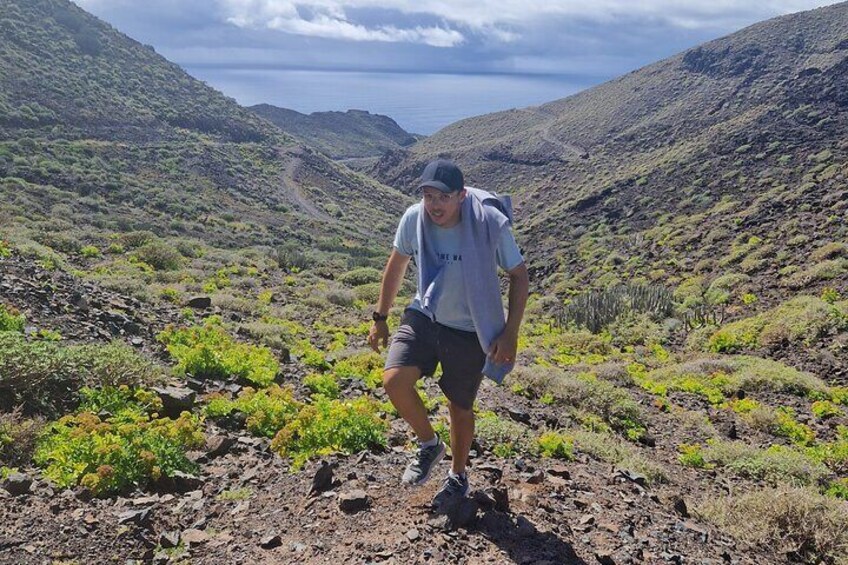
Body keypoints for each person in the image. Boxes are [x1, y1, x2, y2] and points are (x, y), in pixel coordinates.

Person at [368, 159, 529, 508]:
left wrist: (510, 332)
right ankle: (429, 444)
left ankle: (458, 475)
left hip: (469, 327)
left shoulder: (488, 224)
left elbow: (519, 275)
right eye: (428, 196)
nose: (434, 205)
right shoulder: (414, 218)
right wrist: (380, 317)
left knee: (460, 406)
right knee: (394, 380)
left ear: (461, 195)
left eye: (442, 197)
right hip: (425, 312)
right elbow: (397, 265)